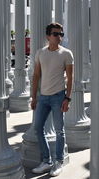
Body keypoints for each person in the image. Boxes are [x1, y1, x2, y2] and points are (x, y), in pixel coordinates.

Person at [31, 22, 74, 177]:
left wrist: (67, 98)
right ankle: (46, 160)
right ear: (48, 36)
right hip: (43, 97)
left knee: (59, 131)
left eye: (61, 34)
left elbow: (70, 78)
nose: (59, 37)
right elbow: (36, 75)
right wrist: (33, 96)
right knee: (37, 128)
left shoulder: (66, 54)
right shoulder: (40, 53)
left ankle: (58, 162)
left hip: (58, 97)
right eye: (56, 34)